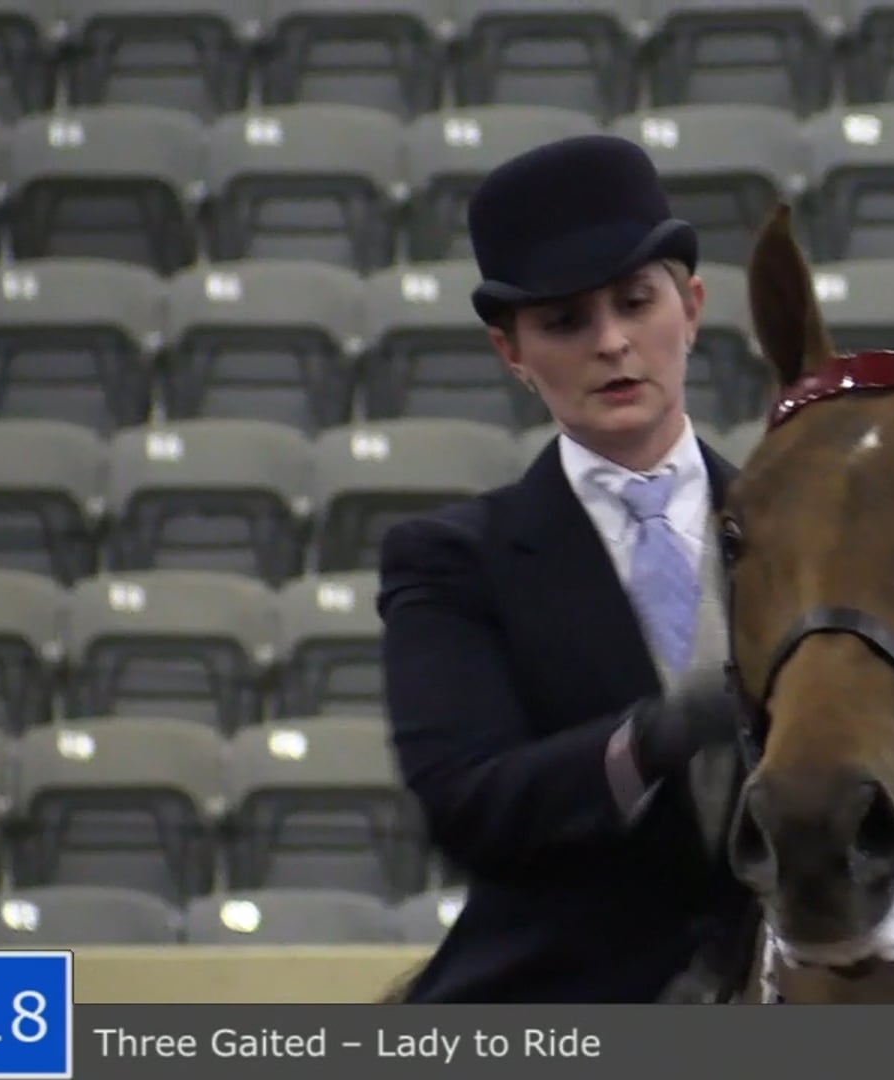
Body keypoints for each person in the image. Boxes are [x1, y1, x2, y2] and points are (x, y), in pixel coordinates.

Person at [375, 134, 760, 1003]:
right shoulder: (451, 562)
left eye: (636, 302)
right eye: (564, 322)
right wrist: (656, 736)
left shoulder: (802, 535)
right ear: (510, 351)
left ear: (691, 307)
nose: (612, 342)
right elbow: (468, 804)